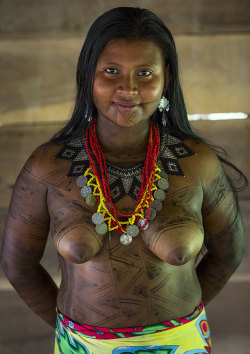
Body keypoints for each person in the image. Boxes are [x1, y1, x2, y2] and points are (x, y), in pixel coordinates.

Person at [1, 7, 246, 354]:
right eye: (111, 71)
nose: (127, 88)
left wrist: (178, 322)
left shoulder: (196, 162)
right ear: (89, 76)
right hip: (82, 344)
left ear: (166, 79)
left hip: (180, 342)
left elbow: (230, 253)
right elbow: (17, 265)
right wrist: (76, 333)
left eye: (144, 73)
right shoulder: (48, 166)